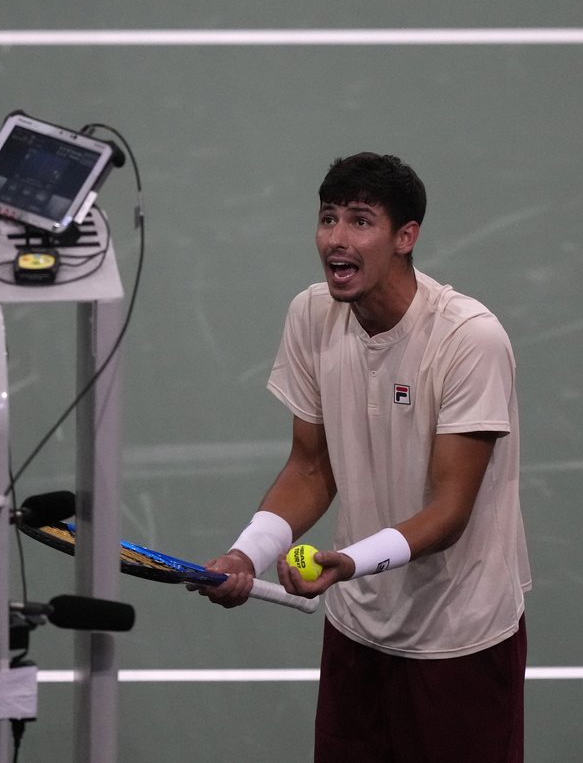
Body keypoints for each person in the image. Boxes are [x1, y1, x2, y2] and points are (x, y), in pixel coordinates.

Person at [198, 152, 530, 762]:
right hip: (357, 632)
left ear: (406, 237)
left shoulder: (468, 340)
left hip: (457, 639)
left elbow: (450, 512)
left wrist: (347, 562)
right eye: (328, 219)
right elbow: (310, 467)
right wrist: (248, 553)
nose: (336, 239)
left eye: (359, 220)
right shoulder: (312, 316)